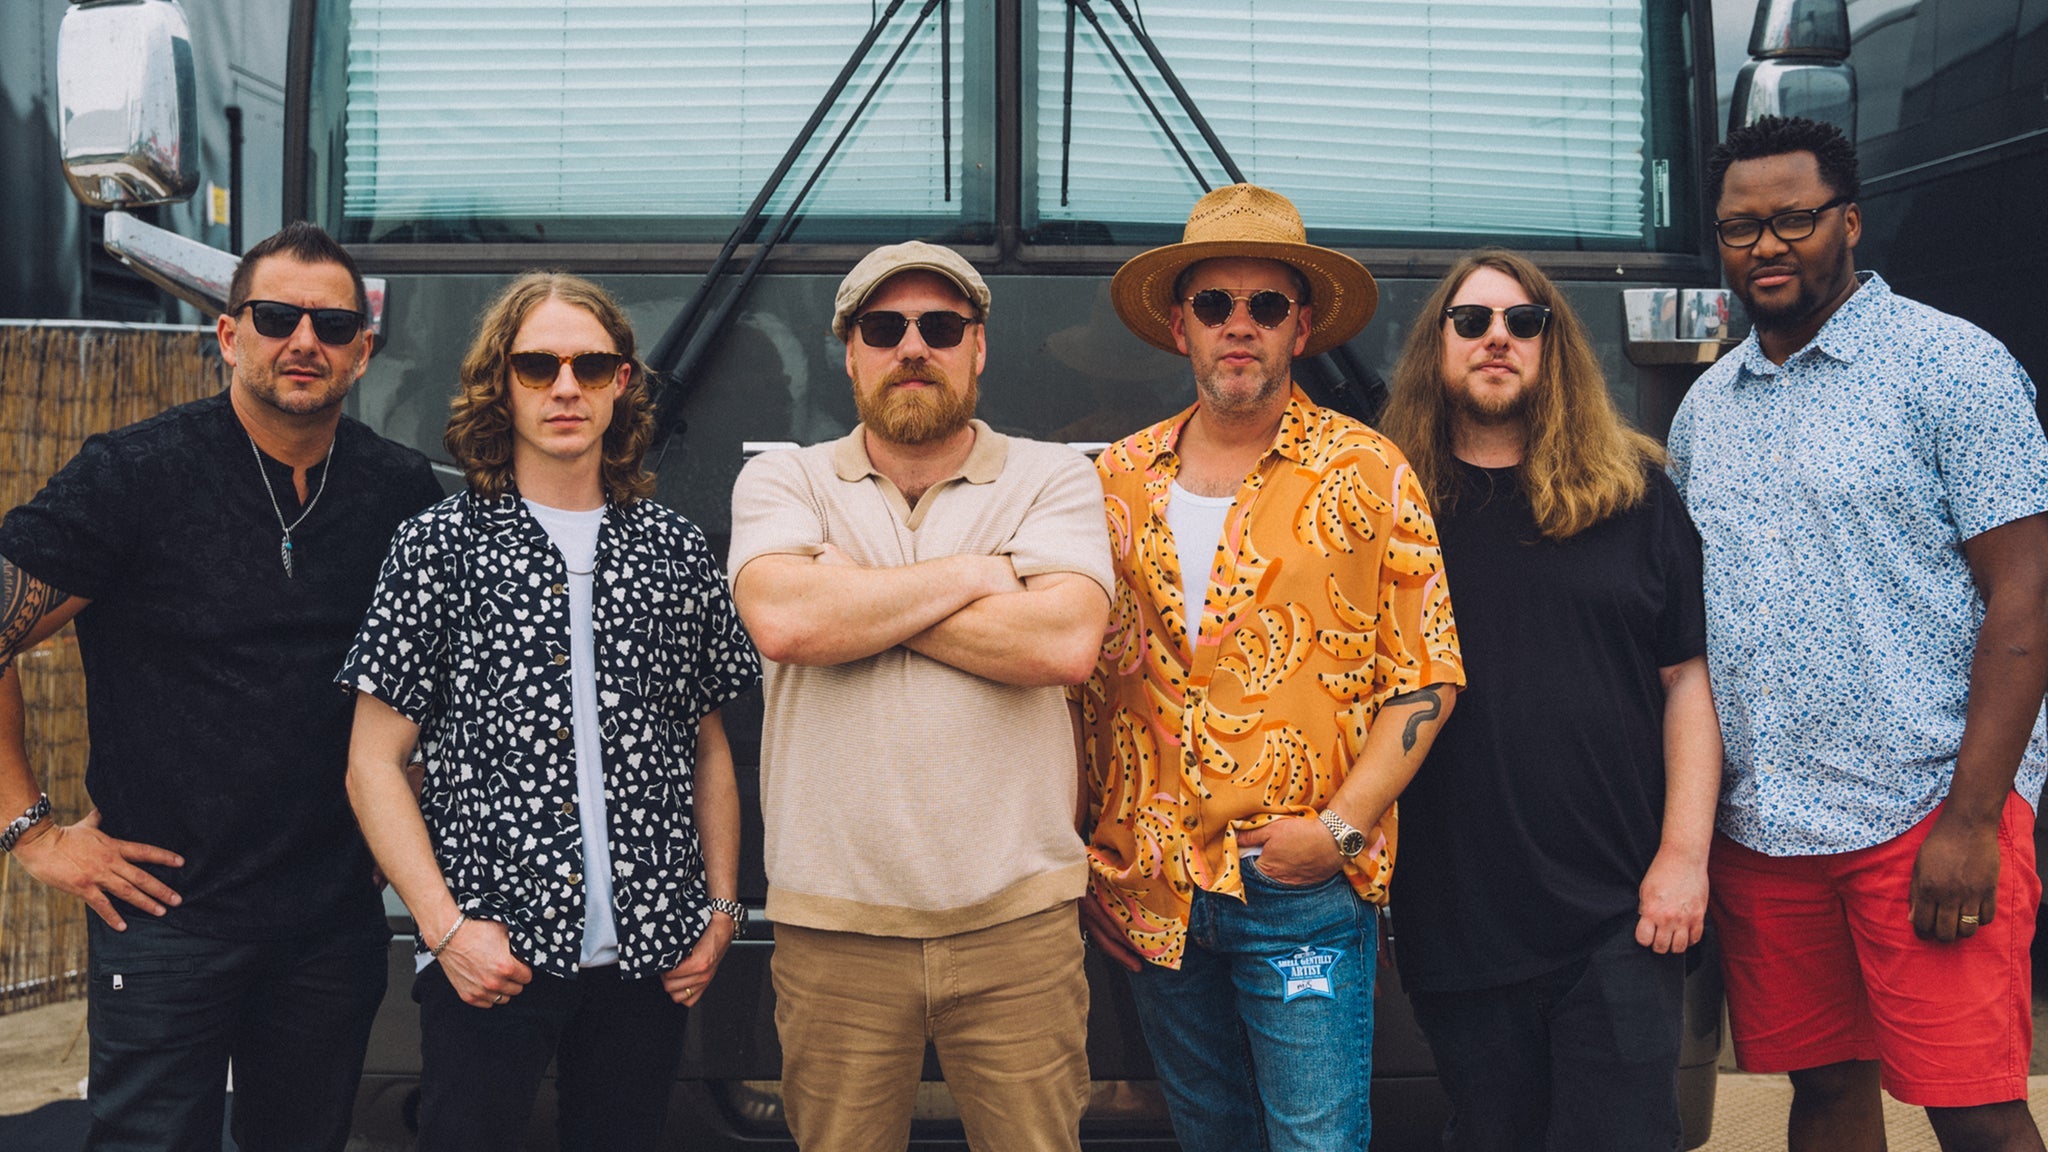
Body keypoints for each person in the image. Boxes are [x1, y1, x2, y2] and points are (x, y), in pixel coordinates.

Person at [0, 221, 441, 1152]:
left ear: (363, 351)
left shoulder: (399, 491)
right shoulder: (134, 474)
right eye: (277, 317)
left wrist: (406, 803)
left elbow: (437, 675)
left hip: (331, 920)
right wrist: (31, 834)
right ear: (231, 335)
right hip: (168, 917)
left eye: (332, 324)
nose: (304, 340)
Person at [1668, 115, 2048, 1152]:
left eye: (1793, 219)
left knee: (1973, 1108)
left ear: (1849, 221)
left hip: (1924, 813)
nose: (1766, 245)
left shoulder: (1952, 366)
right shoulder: (1704, 411)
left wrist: (1973, 821)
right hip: (1767, 831)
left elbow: (2024, 598)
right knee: (1825, 1094)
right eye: (1740, 227)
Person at [1075, 183, 1464, 1152]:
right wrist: (1087, 864)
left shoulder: (1367, 472)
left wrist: (1337, 832)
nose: (1238, 325)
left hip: (1300, 888)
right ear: (1180, 326)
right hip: (1152, 893)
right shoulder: (1113, 483)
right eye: (1214, 304)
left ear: (1301, 326)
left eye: (1265, 305)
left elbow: (1425, 675)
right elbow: (1075, 692)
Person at [337, 272, 759, 1152]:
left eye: (589, 365)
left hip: (650, 957)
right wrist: (446, 931)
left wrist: (721, 911)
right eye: (538, 366)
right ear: (503, 382)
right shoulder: (438, 546)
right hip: (491, 954)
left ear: (621, 382)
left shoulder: (676, 549)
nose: (566, 387)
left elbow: (708, 746)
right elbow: (372, 763)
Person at [727, 241, 1113, 1152]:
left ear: (978, 348)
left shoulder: (1053, 477)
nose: (912, 347)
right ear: (850, 353)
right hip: (834, 930)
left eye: (940, 327)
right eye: (883, 328)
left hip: (1018, 927)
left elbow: (1064, 644)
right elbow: (785, 624)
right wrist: (982, 575)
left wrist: (854, 597)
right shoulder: (783, 477)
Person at [1377, 249, 1720, 1151]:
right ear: (1437, 345)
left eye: (1523, 322)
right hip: (1457, 916)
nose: (1498, 338)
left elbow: (1688, 682)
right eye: (1472, 321)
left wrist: (1683, 858)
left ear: (1551, 345)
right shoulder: (1389, 506)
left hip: (1622, 913)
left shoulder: (1635, 495)